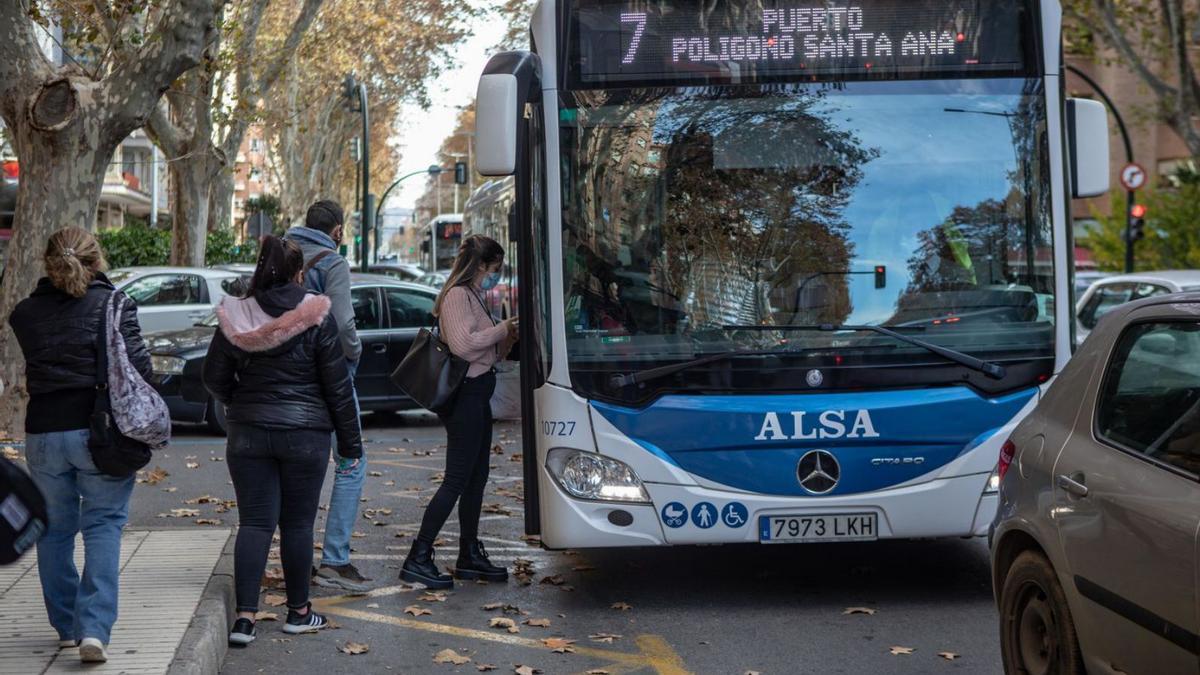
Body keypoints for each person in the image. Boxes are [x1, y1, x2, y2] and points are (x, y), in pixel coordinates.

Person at [203, 236, 362, 646]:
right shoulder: (316, 314)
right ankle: (298, 612)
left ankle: (244, 619)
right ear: (299, 273)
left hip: (248, 435)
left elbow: (213, 377)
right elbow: (337, 388)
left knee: (255, 523)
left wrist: (239, 402)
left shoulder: (235, 314)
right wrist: (351, 444)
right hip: (305, 437)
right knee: (297, 524)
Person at [8, 227, 151, 664]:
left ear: (47, 263)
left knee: (54, 529)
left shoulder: (25, 313)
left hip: (44, 433)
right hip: (100, 432)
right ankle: (94, 629)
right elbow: (141, 369)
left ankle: (67, 626)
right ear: (97, 260)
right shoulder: (114, 305)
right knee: (104, 524)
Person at [401, 235, 518, 589]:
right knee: (456, 480)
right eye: (494, 269)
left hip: (479, 393)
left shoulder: (475, 296)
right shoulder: (455, 296)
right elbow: (464, 346)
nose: (494, 276)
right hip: (464, 397)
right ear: (481, 265)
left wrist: (507, 338)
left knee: (477, 478)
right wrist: (502, 328)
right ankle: (418, 556)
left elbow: (488, 355)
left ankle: (469, 553)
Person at [283, 200, 370, 592]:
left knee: (290, 467)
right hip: (329, 375)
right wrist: (353, 352)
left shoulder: (280, 251)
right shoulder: (332, 262)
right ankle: (335, 558)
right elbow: (342, 321)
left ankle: (288, 559)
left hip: (285, 376)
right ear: (337, 230)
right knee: (352, 461)